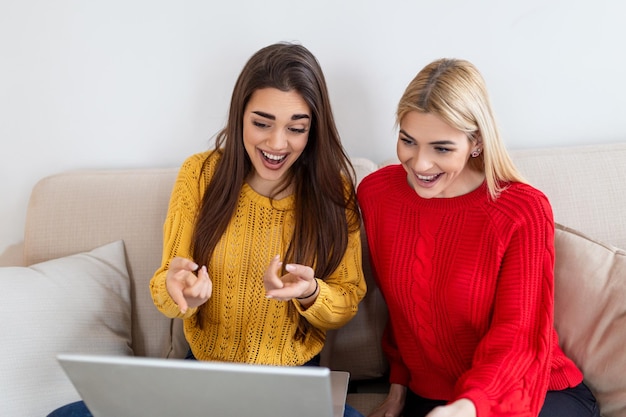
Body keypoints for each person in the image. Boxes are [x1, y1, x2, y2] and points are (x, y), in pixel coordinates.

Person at [47, 42, 366, 417]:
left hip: (290, 384)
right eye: (261, 123)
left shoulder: (333, 191)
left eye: (296, 128)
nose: (277, 143)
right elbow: (166, 283)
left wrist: (311, 292)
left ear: (313, 129)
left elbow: (346, 301)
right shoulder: (199, 175)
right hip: (204, 375)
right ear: (239, 115)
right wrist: (180, 292)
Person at [357, 58, 599, 417]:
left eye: (441, 148)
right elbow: (403, 313)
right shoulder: (378, 194)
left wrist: (469, 407)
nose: (420, 163)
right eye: (408, 141)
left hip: (529, 391)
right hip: (436, 397)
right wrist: (397, 390)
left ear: (476, 142)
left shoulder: (522, 210)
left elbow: (517, 335)